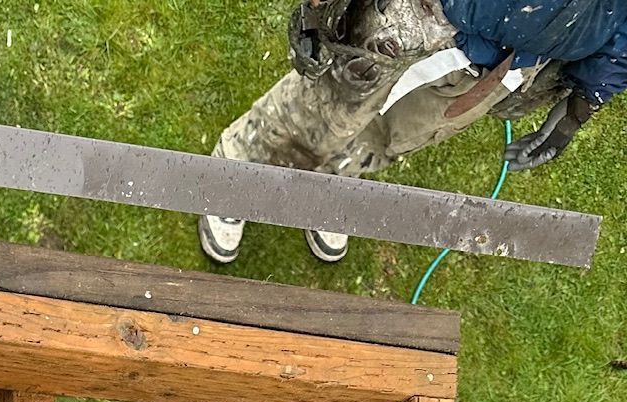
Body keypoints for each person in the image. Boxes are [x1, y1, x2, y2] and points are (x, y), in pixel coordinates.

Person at [199, 0, 627, 264]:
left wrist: (585, 101)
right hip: (413, 16)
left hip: (505, 62)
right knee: (324, 111)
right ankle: (235, 177)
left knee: (392, 136)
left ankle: (327, 188)